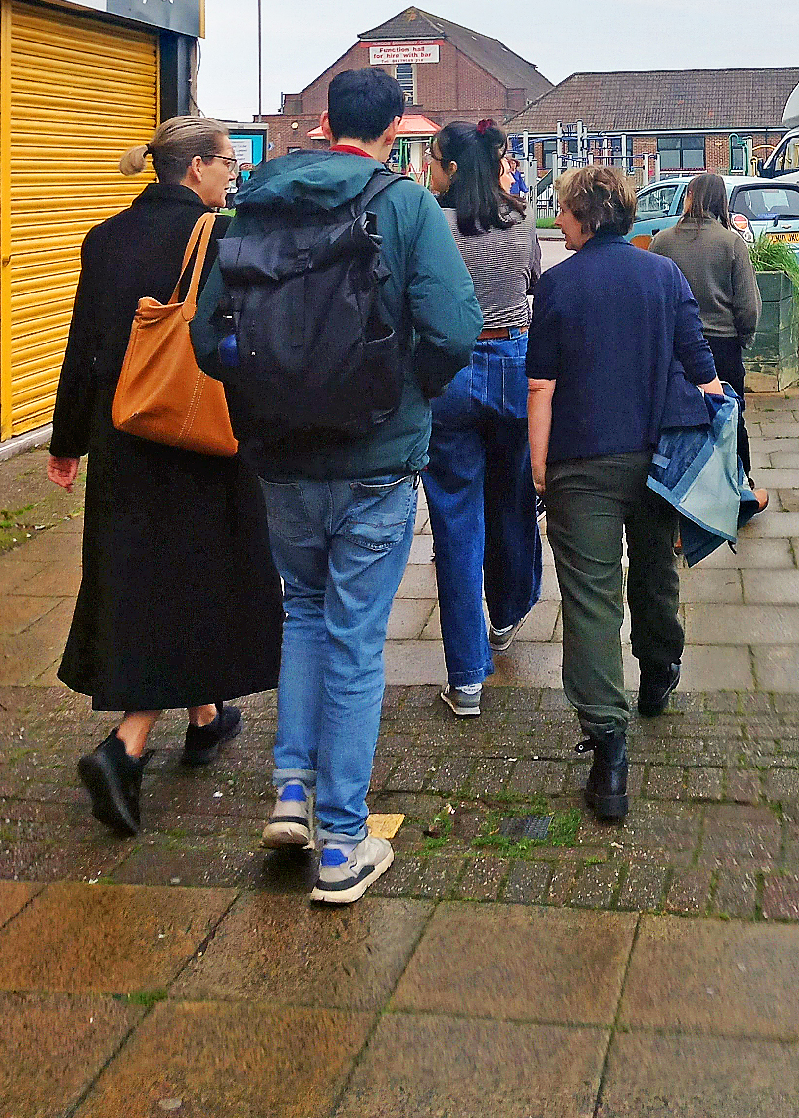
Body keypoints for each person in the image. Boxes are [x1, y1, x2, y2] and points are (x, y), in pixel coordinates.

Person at [193, 68, 481, 904]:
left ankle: (292, 788)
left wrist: (268, 387)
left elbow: (207, 334)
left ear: (322, 124)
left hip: (281, 454)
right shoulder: (405, 205)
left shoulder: (253, 202)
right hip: (376, 458)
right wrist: (404, 391)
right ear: (395, 128)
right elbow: (456, 326)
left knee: (305, 612)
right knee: (357, 640)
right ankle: (343, 846)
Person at [47, 117, 282, 837]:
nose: (233, 174)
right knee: (198, 579)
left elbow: (84, 345)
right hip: (199, 441)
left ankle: (206, 717)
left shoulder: (105, 238)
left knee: (142, 576)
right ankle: (126, 747)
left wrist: (66, 440)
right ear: (194, 170)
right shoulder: (215, 239)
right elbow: (240, 343)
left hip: (124, 440)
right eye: (225, 162)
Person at [526, 165, 723, 822]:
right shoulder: (662, 275)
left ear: (584, 214)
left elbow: (541, 388)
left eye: (561, 211)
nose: (557, 222)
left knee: (590, 601)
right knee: (656, 570)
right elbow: (704, 371)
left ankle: (609, 754)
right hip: (659, 453)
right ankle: (660, 672)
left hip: (581, 459)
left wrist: (538, 468)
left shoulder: (557, 284)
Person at [424, 118, 544, 718]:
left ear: (450, 167)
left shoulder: (433, 225)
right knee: (513, 495)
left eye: (433, 160)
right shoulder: (521, 221)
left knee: (454, 516)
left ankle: (467, 677)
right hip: (513, 366)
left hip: (451, 374)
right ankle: (510, 610)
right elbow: (537, 293)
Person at [649, 172, 767, 511]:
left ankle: (675, 487)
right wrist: (745, 336)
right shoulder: (731, 244)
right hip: (722, 344)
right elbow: (748, 306)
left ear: (689, 198)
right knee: (730, 417)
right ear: (721, 203)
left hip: (674, 347)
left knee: (677, 419)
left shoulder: (662, 242)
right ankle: (739, 484)